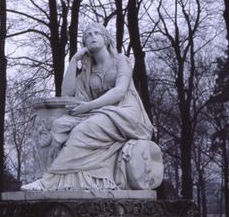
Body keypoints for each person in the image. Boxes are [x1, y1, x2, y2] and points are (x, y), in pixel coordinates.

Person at [22, 23, 154, 191]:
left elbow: (120, 91)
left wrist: (88, 107)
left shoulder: (121, 60)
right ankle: (66, 182)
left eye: (96, 33)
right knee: (59, 125)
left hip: (126, 113)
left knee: (82, 130)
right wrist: (74, 60)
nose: (92, 36)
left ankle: (48, 181)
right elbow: (67, 92)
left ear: (105, 38)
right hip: (99, 111)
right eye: (88, 35)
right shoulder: (88, 70)